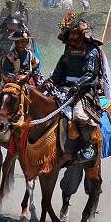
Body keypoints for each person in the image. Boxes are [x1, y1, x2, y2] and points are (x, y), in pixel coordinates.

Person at [43, 13, 103, 163]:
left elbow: (90, 74)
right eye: (71, 34)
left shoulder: (91, 51)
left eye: (76, 34)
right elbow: (59, 72)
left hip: (84, 90)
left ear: (82, 35)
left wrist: (78, 85)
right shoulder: (68, 51)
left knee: (80, 115)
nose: (73, 37)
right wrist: (51, 81)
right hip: (64, 88)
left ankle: (88, 146)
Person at [0, 13, 26, 87]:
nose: (11, 26)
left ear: (18, 25)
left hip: (19, 69)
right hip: (0, 69)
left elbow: (28, 55)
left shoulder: (24, 38)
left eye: (14, 24)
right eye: (10, 24)